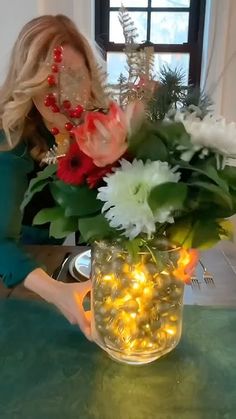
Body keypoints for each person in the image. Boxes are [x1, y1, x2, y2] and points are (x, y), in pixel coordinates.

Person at [0, 14, 106, 341]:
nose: (62, 100)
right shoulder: (12, 138)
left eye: (74, 77)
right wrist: (57, 291)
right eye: (47, 86)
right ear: (27, 88)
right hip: (22, 260)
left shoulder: (104, 125)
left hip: (68, 257)